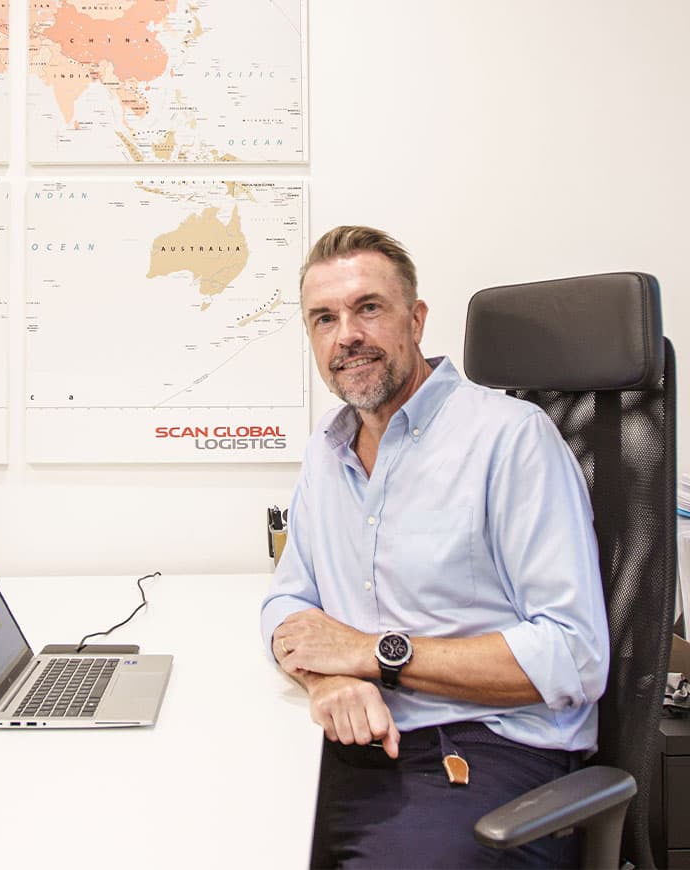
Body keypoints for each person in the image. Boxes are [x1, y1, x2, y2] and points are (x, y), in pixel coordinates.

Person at [260, 226, 609, 869]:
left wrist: (372, 654)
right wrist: (323, 679)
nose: (347, 336)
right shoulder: (327, 450)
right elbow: (287, 601)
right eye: (324, 318)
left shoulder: (511, 440)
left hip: (488, 752)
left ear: (416, 320)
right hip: (357, 741)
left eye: (369, 307)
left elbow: (575, 656)